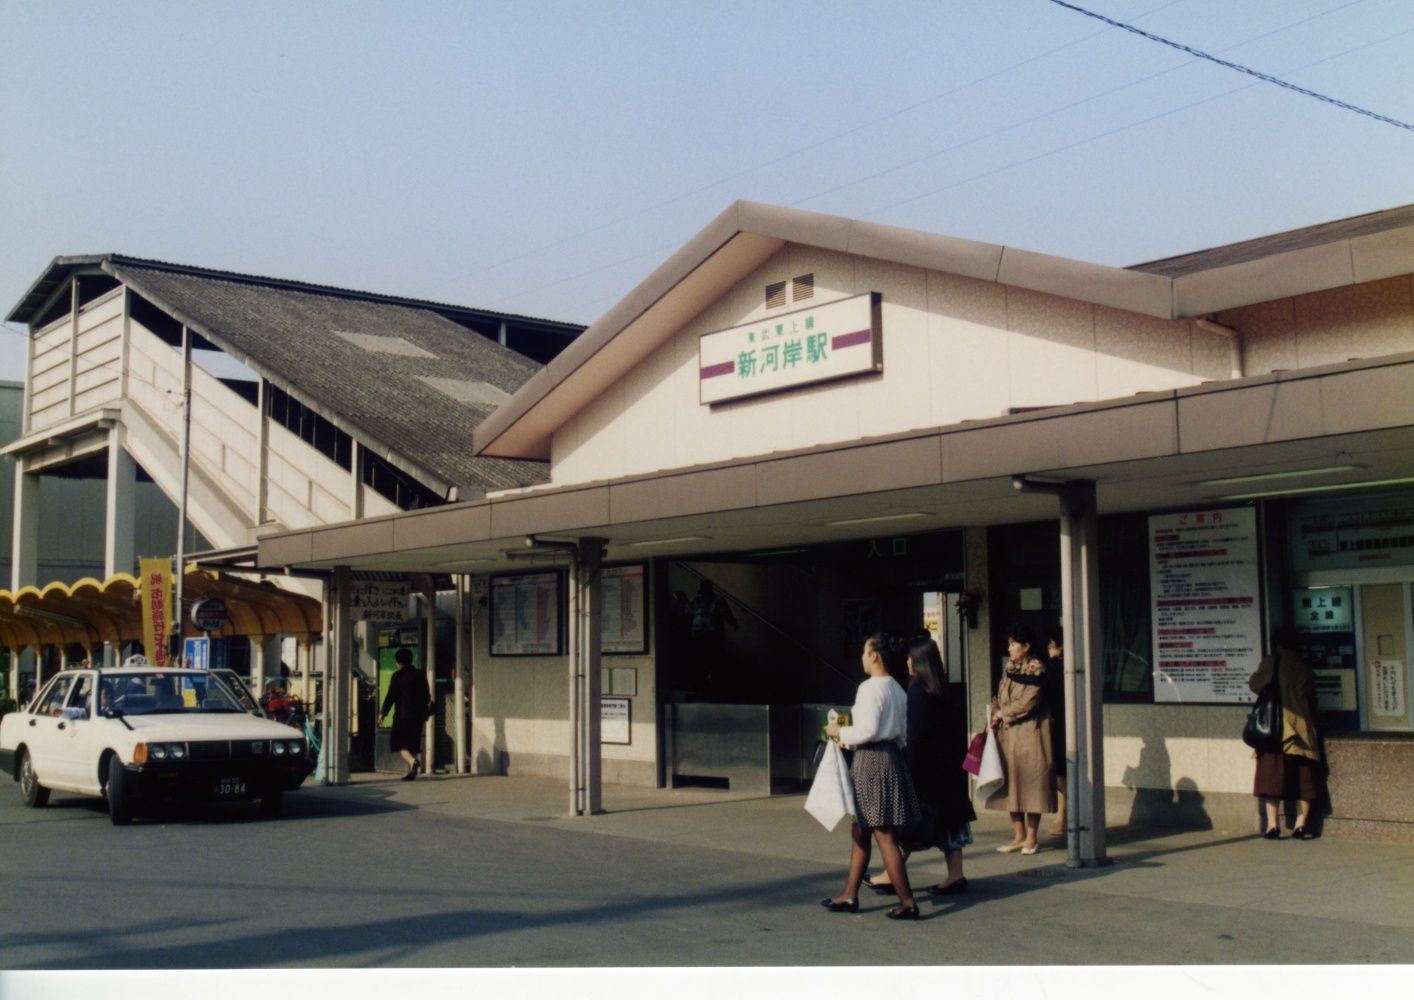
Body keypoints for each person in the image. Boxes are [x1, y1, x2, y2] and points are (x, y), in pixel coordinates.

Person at [821, 633, 922, 920]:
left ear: (875, 655)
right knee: (861, 829)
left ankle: (907, 901)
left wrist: (839, 732)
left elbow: (866, 730)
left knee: (881, 831)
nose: (862, 658)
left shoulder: (868, 688)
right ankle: (849, 894)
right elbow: (903, 733)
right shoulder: (898, 688)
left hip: (870, 760)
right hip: (891, 757)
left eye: (865, 652)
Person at [864, 635, 975, 896]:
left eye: (909, 658)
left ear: (917, 661)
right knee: (951, 822)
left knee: (911, 825)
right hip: (949, 769)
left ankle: (891, 875)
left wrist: (911, 772)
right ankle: (956, 875)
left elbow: (915, 736)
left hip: (926, 771)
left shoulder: (917, 690)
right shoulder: (943, 689)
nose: (907, 662)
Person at [986, 623, 1057, 854]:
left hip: (1031, 733)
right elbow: (999, 695)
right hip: (1008, 734)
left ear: (1026, 646)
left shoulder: (1036, 668)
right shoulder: (1011, 667)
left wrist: (1002, 714)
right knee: (1010, 783)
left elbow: (1029, 702)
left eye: (1014, 644)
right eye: (1009, 644)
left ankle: (1032, 838)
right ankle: (1019, 835)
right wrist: (994, 712)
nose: (1010, 648)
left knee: (1032, 785)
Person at [1248, 626, 1323, 839]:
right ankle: (1301, 824)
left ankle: (1272, 825)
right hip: (1301, 728)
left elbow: (1254, 684)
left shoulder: (1271, 662)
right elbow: (1311, 695)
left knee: (1271, 775)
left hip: (1274, 729)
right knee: (1304, 777)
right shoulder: (1303, 665)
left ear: (1277, 644)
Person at [379, 648, 432, 781]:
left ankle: (412, 761)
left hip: (402, 716)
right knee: (413, 743)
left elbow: (390, 696)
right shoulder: (420, 674)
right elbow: (427, 696)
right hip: (418, 716)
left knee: (398, 743)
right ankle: (410, 771)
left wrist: (383, 713)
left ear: (398, 662)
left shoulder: (397, 676)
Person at [1045, 626, 1068, 837]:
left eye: (1051, 645)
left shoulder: (1051, 668)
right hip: (1067, 723)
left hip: (1057, 724)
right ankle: (1064, 815)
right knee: (1063, 771)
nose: (1049, 648)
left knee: (1060, 772)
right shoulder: (1074, 667)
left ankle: (1063, 816)